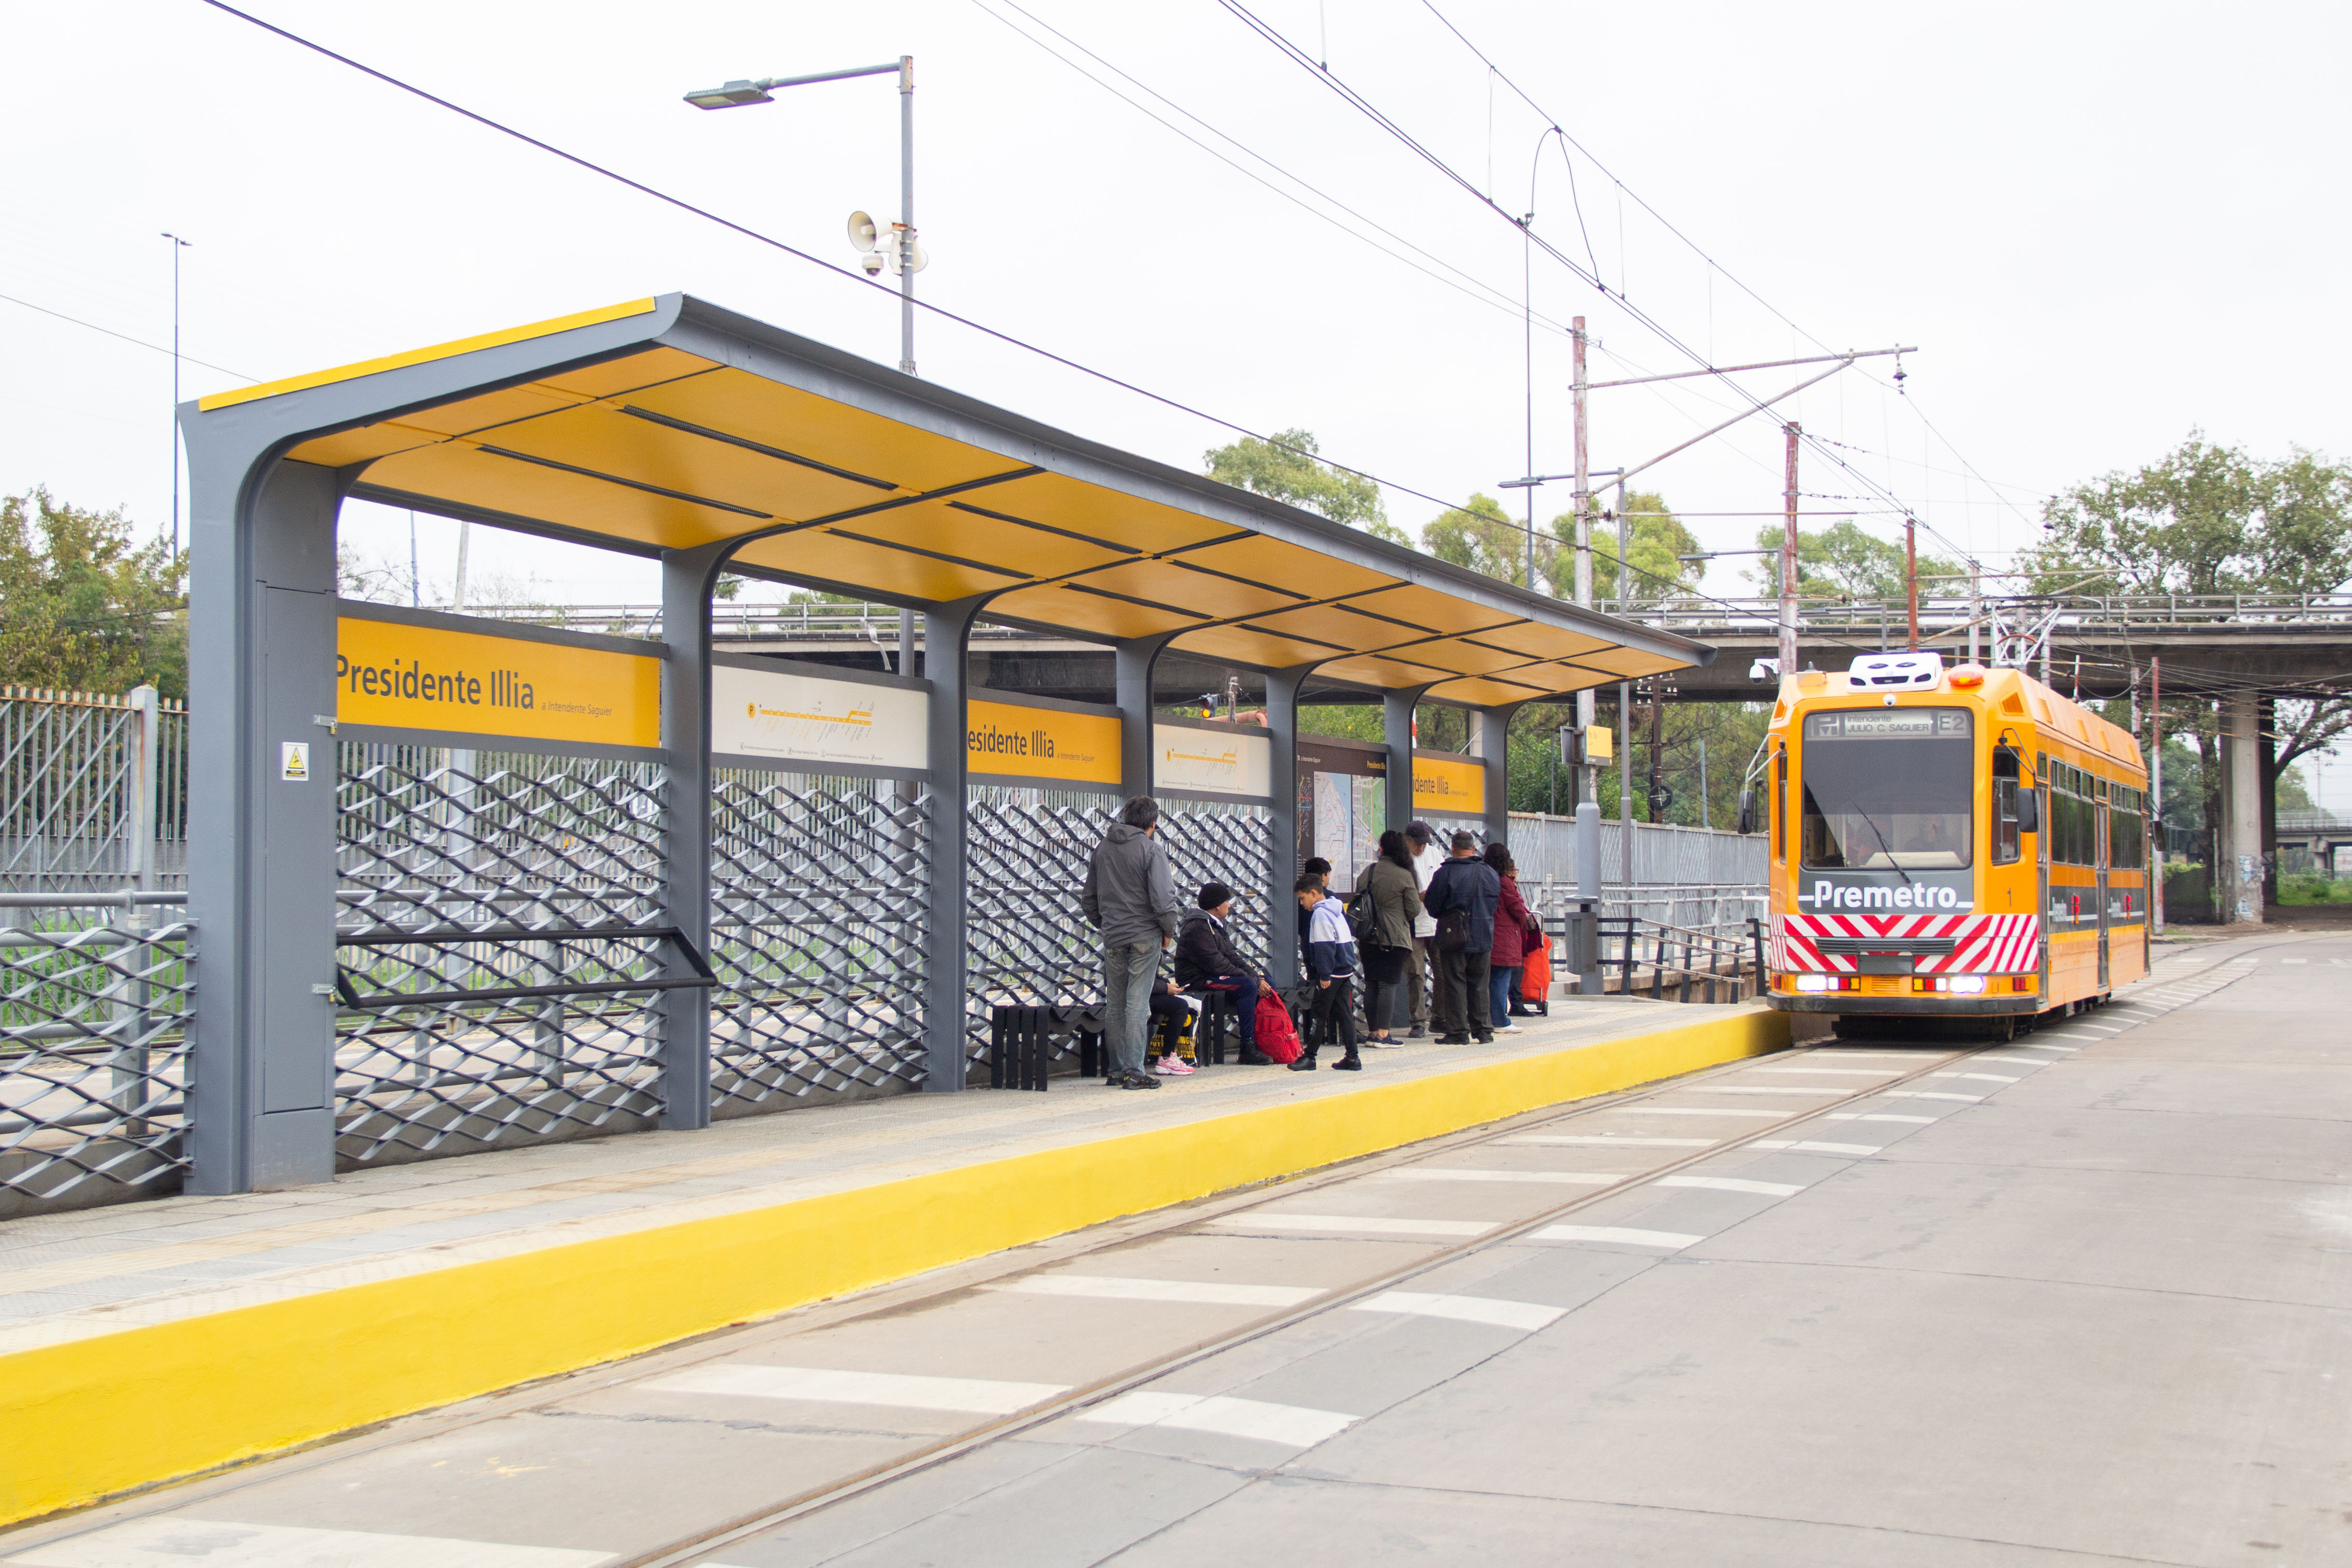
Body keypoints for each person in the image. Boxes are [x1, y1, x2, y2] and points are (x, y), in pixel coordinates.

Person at [1081, 795, 1180, 1090]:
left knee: (1116, 1004)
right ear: (1153, 824)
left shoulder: (1102, 849)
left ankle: (1115, 1070)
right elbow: (1164, 901)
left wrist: (1106, 924)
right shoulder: (1151, 850)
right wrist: (1168, 931)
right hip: (1144, 937)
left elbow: (1089, 900)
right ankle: (1135, 1072)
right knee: (1138, 1005)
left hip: (1114, 936)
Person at [1174, 881, 1272, 1062]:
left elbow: (1231, 957)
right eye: (1227, 901)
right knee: (1248, 986)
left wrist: (1256, 976)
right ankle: (1247, 1047)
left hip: (1215, 976)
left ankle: (1266, 1039)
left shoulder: (1214, 925)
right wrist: (1253, 980)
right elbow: (1216, 964)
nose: (1230, 905)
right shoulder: (1198, 927)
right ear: (1217, 905)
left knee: (1267, 982)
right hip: (1199, 980)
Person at [1421, 829, 1500, 1045]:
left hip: (1453, 936)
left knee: (1455, 982)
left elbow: (1433, 906)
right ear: (1474, 849)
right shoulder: (1489, 873)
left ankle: (1458, 1032)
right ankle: (1483, 1031)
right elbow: (1494, 904)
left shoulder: (1444, 873)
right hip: (1483, 935)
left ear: (1453, 848)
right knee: (1480, 984)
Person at [1352, 829, 1422, 1046]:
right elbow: (1414, 909)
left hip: (1368, 937)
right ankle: (1384, 1034)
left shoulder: (1368, 872)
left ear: (1381, 848)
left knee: (1371, 984)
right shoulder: (1404, 875)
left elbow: (1359, 901)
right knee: (1388, 986)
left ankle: (1373, 1033)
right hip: (1394, 938)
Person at [1295, 875, 1362, 1072]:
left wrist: (1324, 974)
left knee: (1318, 1013)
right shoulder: (1336, 910)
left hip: (1330, 974)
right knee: (1346, 1015)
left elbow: (1324, 946)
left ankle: (1310, 1057)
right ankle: (1352, 1057)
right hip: (1344, 970)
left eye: (1303, 898)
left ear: (1314, 893)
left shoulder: (1320, 915)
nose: (1302, 903)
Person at [1482, 843, 1540, 1034]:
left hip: (1485, 933)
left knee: (1487, 980)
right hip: (1504, 937)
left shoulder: (1484, 877)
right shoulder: (1504, 882)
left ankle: (1487, 1018)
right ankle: (1500, 1020)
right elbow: (1517, 909)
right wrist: (1527, 920)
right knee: (1501, 979)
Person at [1403, 820, 1442, 1038]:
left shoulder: (1435, 854)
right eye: (1417, 844)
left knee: (1442, 971)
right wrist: (1418, 897)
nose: (1421, 848)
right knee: (1416, 973)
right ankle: (1418, 1021)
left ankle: (1439, 1016)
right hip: (1414, 923)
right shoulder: (1402, 859)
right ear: (1408, 840)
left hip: (1436, 922)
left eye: (1424, 844)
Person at [1148, 973, 1197, 1077]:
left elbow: (1151, 976)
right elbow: (1142, 980)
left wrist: (1167, 984)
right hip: (1135, 994)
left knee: (1179, 1004)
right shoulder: (1142, 955)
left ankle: (1167, 1057)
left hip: (1141, 991)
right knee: (1180, 1006)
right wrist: (1166, 988)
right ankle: (1166, 1057)